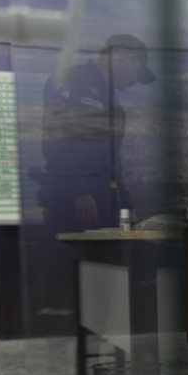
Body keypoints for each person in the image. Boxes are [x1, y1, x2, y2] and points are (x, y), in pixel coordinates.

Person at [36, 33, 156, 232]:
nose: (136, 81)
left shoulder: (115, 107)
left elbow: (113, 164)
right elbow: (55, 140)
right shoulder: (70, 80)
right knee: (69, 262)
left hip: (103, 209)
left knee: (107, 263)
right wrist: (79, 192)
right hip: (68, 204)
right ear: (126, 56)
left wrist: (128, 210)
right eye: (138, 71)